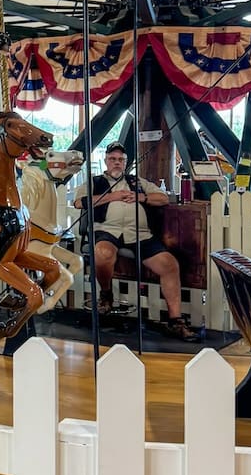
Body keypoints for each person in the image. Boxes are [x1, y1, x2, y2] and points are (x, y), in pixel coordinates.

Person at [73, 142, 198, 341]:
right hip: (107, 230)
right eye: (113, 159)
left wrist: (141, 197)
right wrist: (112, 196)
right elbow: (79, 202)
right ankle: (106, 294)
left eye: (120, 160)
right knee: (103, 253)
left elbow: (163, 198)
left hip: (139, 233)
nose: (116, 163)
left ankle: (176, 320)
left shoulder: (136, 182)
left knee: (169, 264)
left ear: (125, 163)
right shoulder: (95, 182)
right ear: (106, 161)